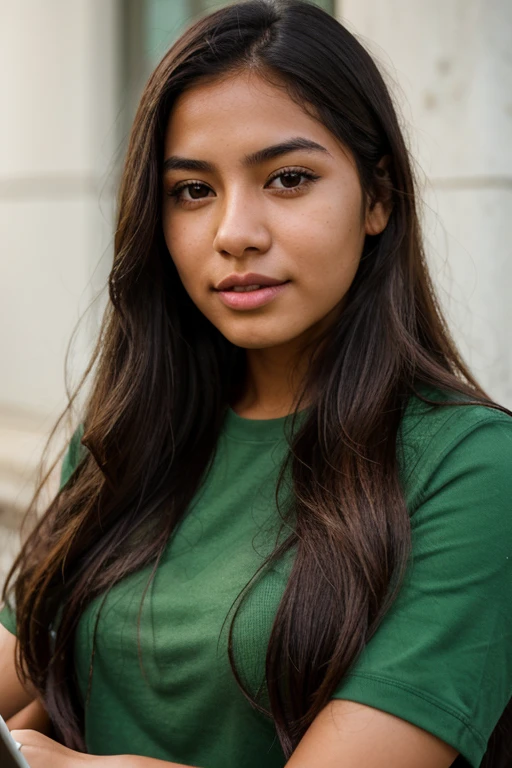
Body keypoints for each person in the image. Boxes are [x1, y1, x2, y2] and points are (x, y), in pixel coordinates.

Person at [1, 1, 511, 766]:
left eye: (288, 178)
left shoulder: (471, 468)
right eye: (193, 191)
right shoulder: (136, 434)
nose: (235, 232)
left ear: (377, 198)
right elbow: (20, 657)